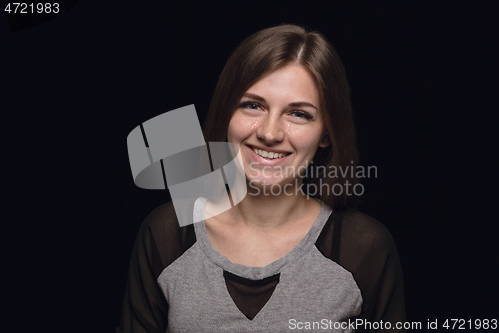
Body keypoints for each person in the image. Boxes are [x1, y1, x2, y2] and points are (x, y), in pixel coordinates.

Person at [117, 24, 405, 332]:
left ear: (326, 133)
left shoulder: (364, 249)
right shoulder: (168, 234)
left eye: (298, 114)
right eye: (253, 105)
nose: (269, 133)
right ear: (227, 113)